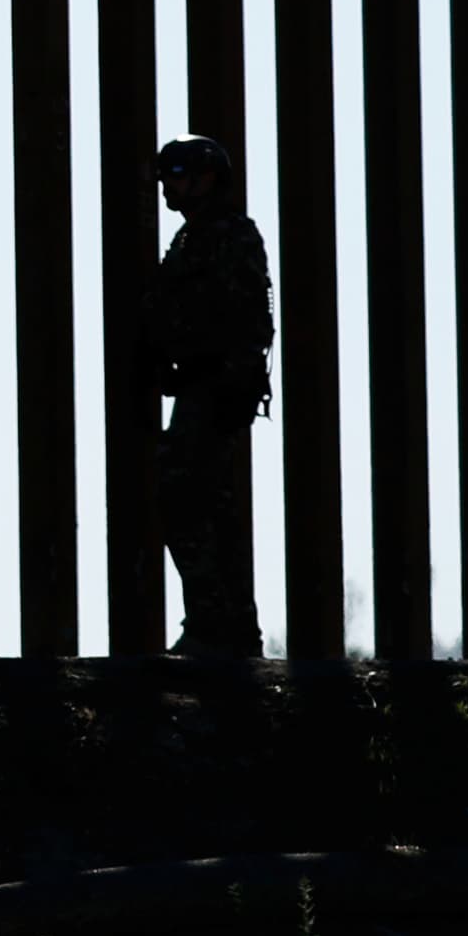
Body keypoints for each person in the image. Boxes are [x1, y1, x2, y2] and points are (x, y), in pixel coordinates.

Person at [147, 136, 272, 657]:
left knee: (185, 501)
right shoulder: (193, 236)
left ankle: (212, 625)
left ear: (208, 177)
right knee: (207, 506)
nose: (170, 185)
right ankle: (232, 628)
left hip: (217, 388)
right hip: (200, 384)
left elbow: (251, 319)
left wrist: (231, 381)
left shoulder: (230, 234)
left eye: (179, 173)